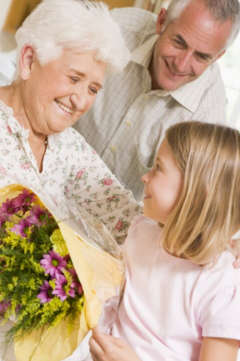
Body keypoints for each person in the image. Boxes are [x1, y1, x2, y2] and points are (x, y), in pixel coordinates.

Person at [0, 1, 140, 360]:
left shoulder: (69, 145)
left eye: (93, 89)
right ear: (28, 60)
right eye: (74, 78)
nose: (80, 100)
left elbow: (129, 221)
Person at [1, 0, 239, 201]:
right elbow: (34, 70)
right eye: (178, 43)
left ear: (218, 57)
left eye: (94, 89)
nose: (182, 64)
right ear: (161, 22)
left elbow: (195, 210)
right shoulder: (115, 29)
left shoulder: (208, 118)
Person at [88, 121, 240, 361]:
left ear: (197, 189)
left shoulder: (222, 285)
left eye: (158, 167)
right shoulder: (141, 232)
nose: (145, 176)